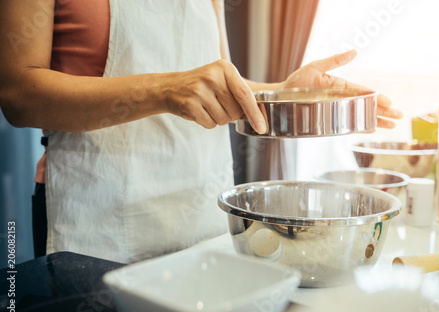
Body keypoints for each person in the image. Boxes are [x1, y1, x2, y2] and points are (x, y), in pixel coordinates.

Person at [0, 0, 402, 263]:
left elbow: (216, 82)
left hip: (200, 213)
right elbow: (17, 95)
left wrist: (285, 91)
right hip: (98, 216)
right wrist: (163, 90)